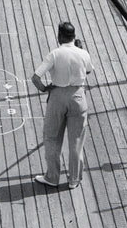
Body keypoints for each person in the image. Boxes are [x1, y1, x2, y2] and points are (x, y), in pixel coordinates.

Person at [31, 21, 93, 189]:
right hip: (78, 97)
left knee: (51, 138)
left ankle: (52, 177)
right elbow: (88, 71)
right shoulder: (83, 53)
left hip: (58, 96)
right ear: (74, 36)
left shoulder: (55, 54)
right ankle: (74, 180)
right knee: (77, 141)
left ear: (59, 36)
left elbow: (35, 78)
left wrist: (45, 88)